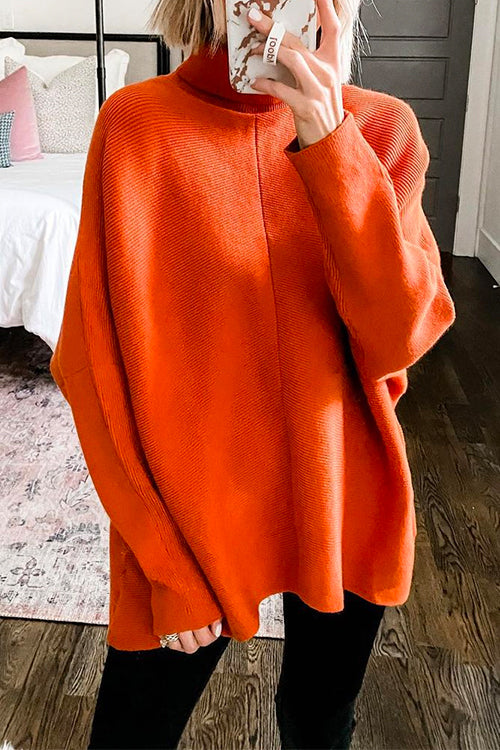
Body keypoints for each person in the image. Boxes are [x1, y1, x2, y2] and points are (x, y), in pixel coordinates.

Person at [50, 0, 456, 748]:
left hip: (341, 497)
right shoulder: (135, 127)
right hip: (188, 520)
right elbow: (90, 368)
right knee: (132, 734)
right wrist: (164, 560)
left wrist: (329, 141)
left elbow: (399, 336)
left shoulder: (381, 128)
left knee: (317, 724)